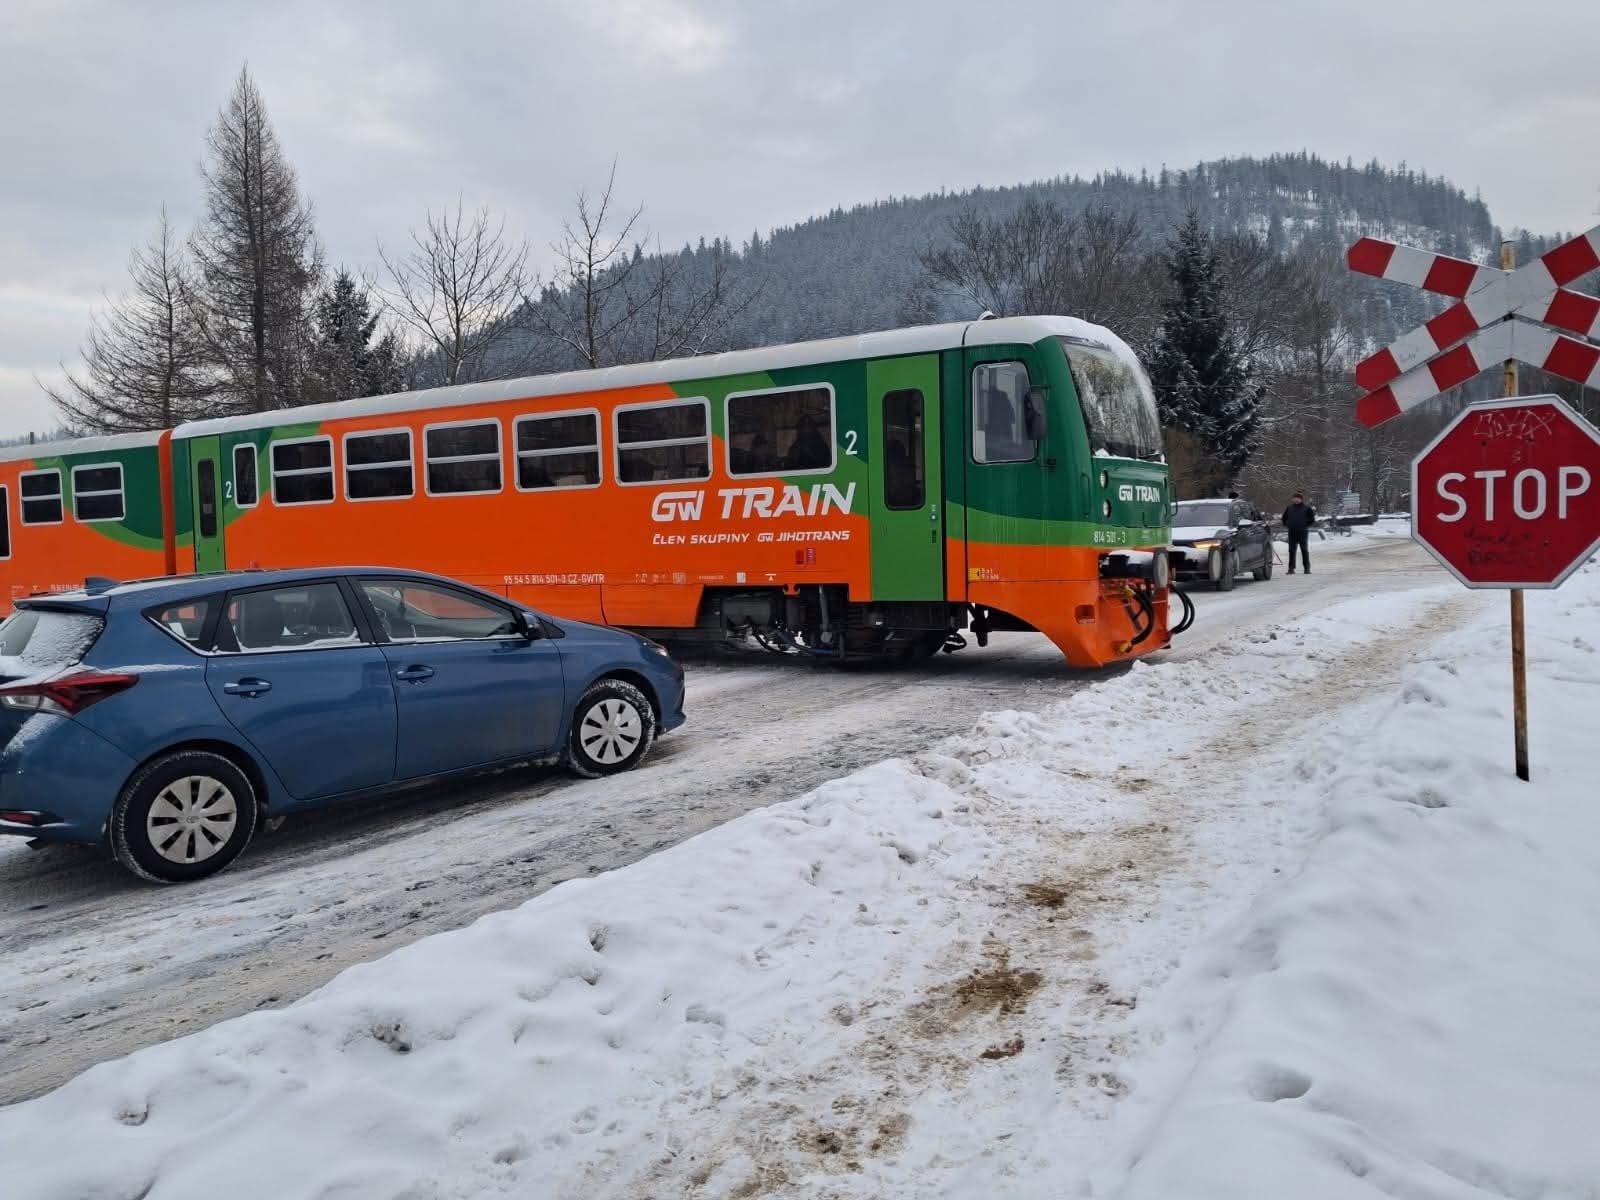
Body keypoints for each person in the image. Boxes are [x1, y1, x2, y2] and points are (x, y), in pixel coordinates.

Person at [1281, 491, 1316, 574]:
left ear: (1301, 499)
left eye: (1298, 498)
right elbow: (1284, 518)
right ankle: (1291, 568)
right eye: (1294, 498)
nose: (1296, 500)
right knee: (1291, 550)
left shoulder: (1306, 508)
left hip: (1302, 532)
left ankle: (1307, 568)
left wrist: (1305, 524)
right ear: (1292, 499)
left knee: (1304, 550)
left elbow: (1312, 519)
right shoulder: (1289, 508)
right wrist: (1288, 524)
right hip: (1292, 532)